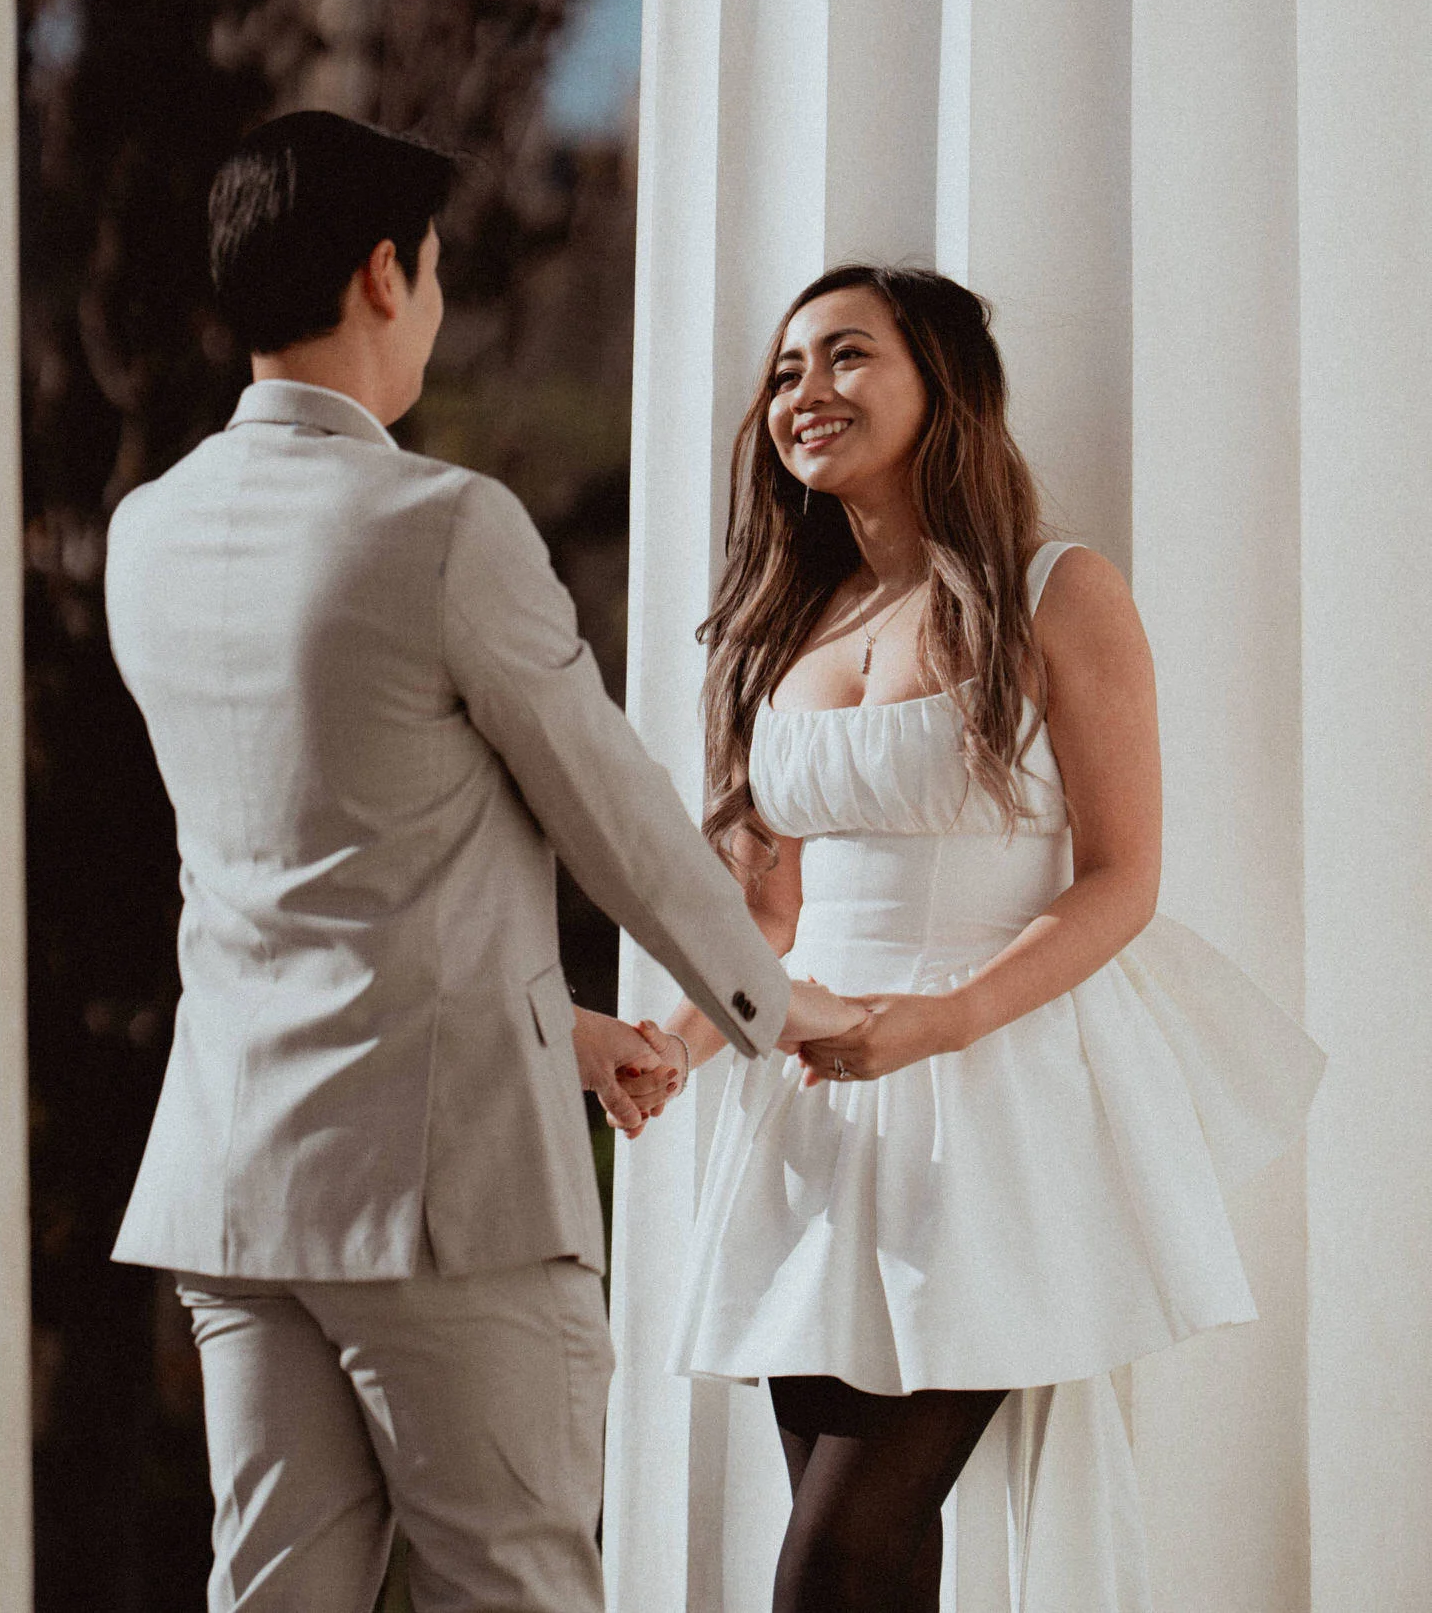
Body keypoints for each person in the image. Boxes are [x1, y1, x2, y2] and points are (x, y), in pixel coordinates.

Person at [103, 108, 858, 1613]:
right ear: (386, 274)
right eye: (435, 275)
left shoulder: (148, 529)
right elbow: (612, 812)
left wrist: (567, 1035)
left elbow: (307, 862)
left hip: (237, 1192)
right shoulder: (441, 526)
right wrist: (778, 1007)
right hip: (441, 1202)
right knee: (508, 1592)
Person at [644, 264, 1323, 1612]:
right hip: (818, 1115)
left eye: (846, 357)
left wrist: (936, 1024)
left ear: (938, 386)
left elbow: (1122, 878)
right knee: (872, 1552)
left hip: (994, 1090)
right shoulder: (777, 629)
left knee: (833, 1559)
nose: (805, 393)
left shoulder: (1056, 590)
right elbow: (761, 912)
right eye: (785, 371)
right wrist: (671, 1047)